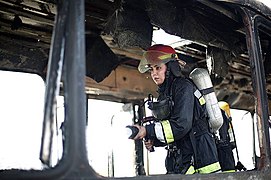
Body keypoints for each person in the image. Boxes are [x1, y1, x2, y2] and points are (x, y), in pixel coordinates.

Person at [132, 44, 221, 174]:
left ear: (170, 68)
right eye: (151, 69)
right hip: (182, 155)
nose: (154, 73)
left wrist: (148, 131)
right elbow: (172, 131)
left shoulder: (183, 87)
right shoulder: (166, 92)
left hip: (200, 156)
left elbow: (181, 125)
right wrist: (155, 140)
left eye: (158, 68)